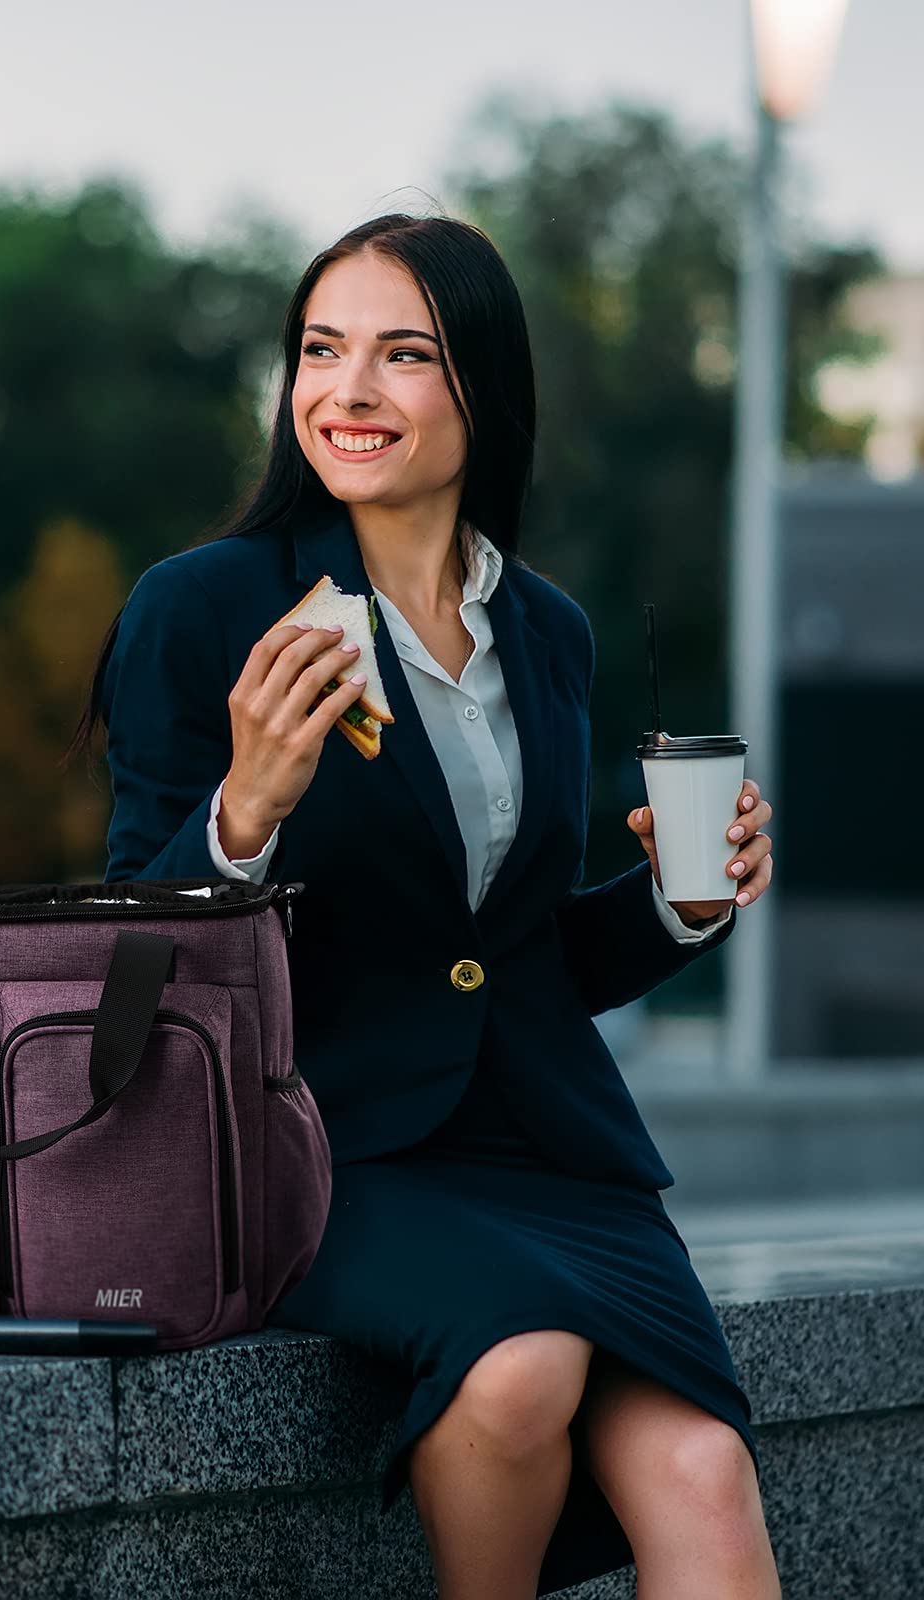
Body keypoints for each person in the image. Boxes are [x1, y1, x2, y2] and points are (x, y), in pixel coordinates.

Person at [65, 213, 780, 1598]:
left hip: (551, 1151)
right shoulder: (205, 608)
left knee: (703, 1473)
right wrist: (246, 808)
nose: (349, 391)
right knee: (519, 1372)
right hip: (321, 1145)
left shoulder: (549, 630)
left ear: (483, 390)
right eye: (322, 351)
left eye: (405, 355)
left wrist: (682, 907)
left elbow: (509, 957)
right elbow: (126, 955)